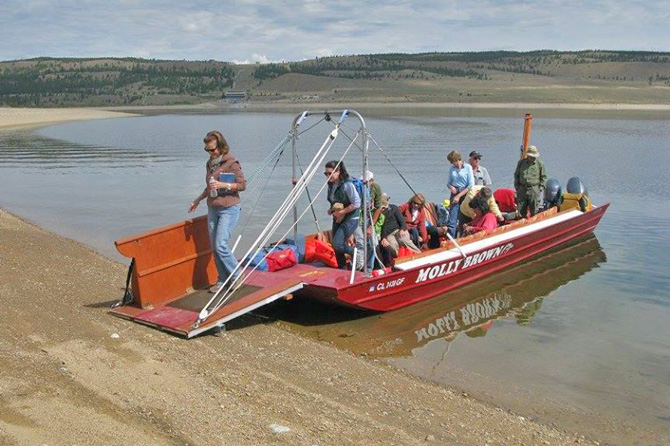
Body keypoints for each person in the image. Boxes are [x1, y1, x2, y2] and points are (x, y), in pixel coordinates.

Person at [189, 130, 246, 292]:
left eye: (213, 150)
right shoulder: (210, 163)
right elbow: (210, 186)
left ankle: (237, 275)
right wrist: (198, 199)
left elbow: (242, 186)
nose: (210, 153)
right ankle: (223, 279)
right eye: (207, 150)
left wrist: (224, 185)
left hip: (229, 208)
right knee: (214, 246)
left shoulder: (232, 163)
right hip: (213, 207)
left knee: (221, 244)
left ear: (221, 147)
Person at [325, 160, 361, 269]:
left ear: (338, 172)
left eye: (330, 173)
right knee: (336, 247)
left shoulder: (347, 185)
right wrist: (331, 210)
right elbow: (334, 201)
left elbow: (357, 203)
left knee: (337, 244)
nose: (328, 176)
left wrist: (342, 212)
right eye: (326, 173)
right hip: (338, 218)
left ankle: (354, 252)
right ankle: (342, 269)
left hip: (350, 218)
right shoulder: (331, 185)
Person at [376, 194, 421, 266]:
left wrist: (402, 229)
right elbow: (381, 227)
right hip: (388, 234)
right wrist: (383, 238)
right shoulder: (379, 212)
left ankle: (419, 254)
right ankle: (400, 259)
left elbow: (402, 221)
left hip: (398, 230)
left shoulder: (394, 208)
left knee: (403, 240)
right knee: (393, 245)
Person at [446, 150, 474, 238]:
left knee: (464, 216)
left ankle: (464, 236)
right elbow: (448, 182)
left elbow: (470, 185)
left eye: (452, 161)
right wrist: (451, 187)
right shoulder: (452, 169)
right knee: (452, 218)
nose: (452, 163)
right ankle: (451, 238)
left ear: (456, 159)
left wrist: (459, 196)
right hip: (454, 192)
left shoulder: (468, 167)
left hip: (465, 193)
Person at [514, 145, 547, 217]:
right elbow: (516, 175)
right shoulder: (521, 163)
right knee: (521, 210)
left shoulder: (539, 164)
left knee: (534, 210)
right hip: (522, 188)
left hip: (534, 189)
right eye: (529, 156)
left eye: (532, 156)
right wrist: (517, 187)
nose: (531, 158)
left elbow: (544, 177)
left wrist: (540, 188)